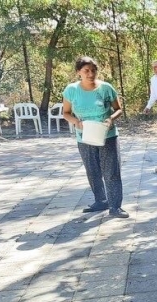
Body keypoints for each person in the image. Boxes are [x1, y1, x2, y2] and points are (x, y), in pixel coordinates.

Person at [62, 56, 128, 219]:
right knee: (92, 171)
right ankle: (101, 200)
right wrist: (76, 122)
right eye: (86, 71)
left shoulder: (106, 88)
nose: (90, 74)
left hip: (107, 135)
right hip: (84, 136)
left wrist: (111, 118)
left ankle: (115, 206)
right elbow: (66, 113)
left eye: (93, 70)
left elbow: (118, 109)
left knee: (111, 171)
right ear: (79, 72)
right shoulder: (71, 90)